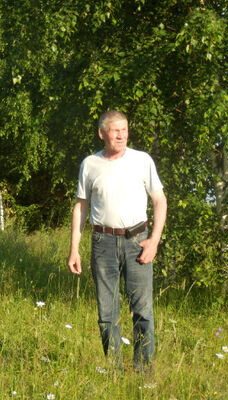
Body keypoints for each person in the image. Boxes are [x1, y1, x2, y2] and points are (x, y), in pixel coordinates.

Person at [67, 110, 167, 373]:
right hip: (103, 243)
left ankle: (143, 371)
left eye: (124, 129)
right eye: (115, 130)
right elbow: (81, 206)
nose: (121, 135)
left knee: (142, 311)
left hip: (138, 241)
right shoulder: (90, 164)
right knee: (107, 313)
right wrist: (74, 249)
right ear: (102, 134)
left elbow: (160, 200)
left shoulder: (142, 160)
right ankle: (114, 371)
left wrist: (154, 241)